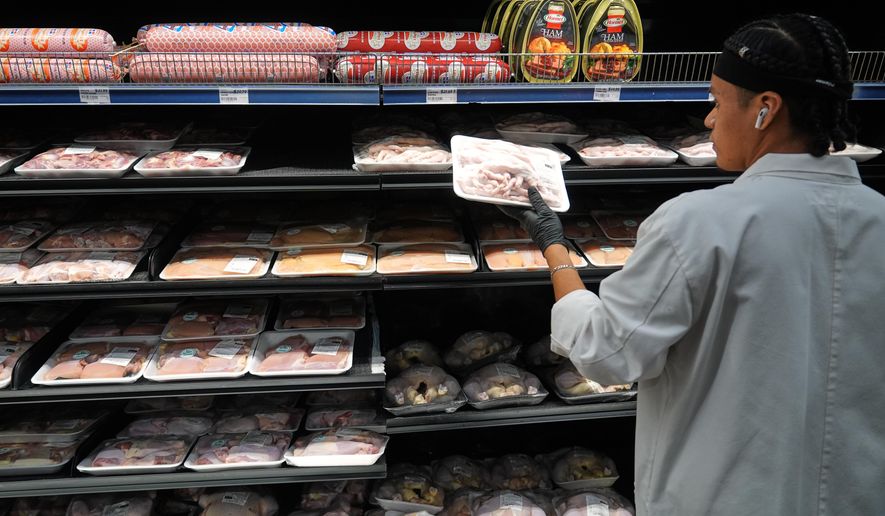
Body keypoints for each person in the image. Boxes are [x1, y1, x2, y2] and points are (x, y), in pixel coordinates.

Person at [501, 13, 885, 515]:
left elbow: (605, 353)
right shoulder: (877, 217)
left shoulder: (701, 223)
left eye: (717, 102)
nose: (707, 119)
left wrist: (553, 246)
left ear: (765, 109)